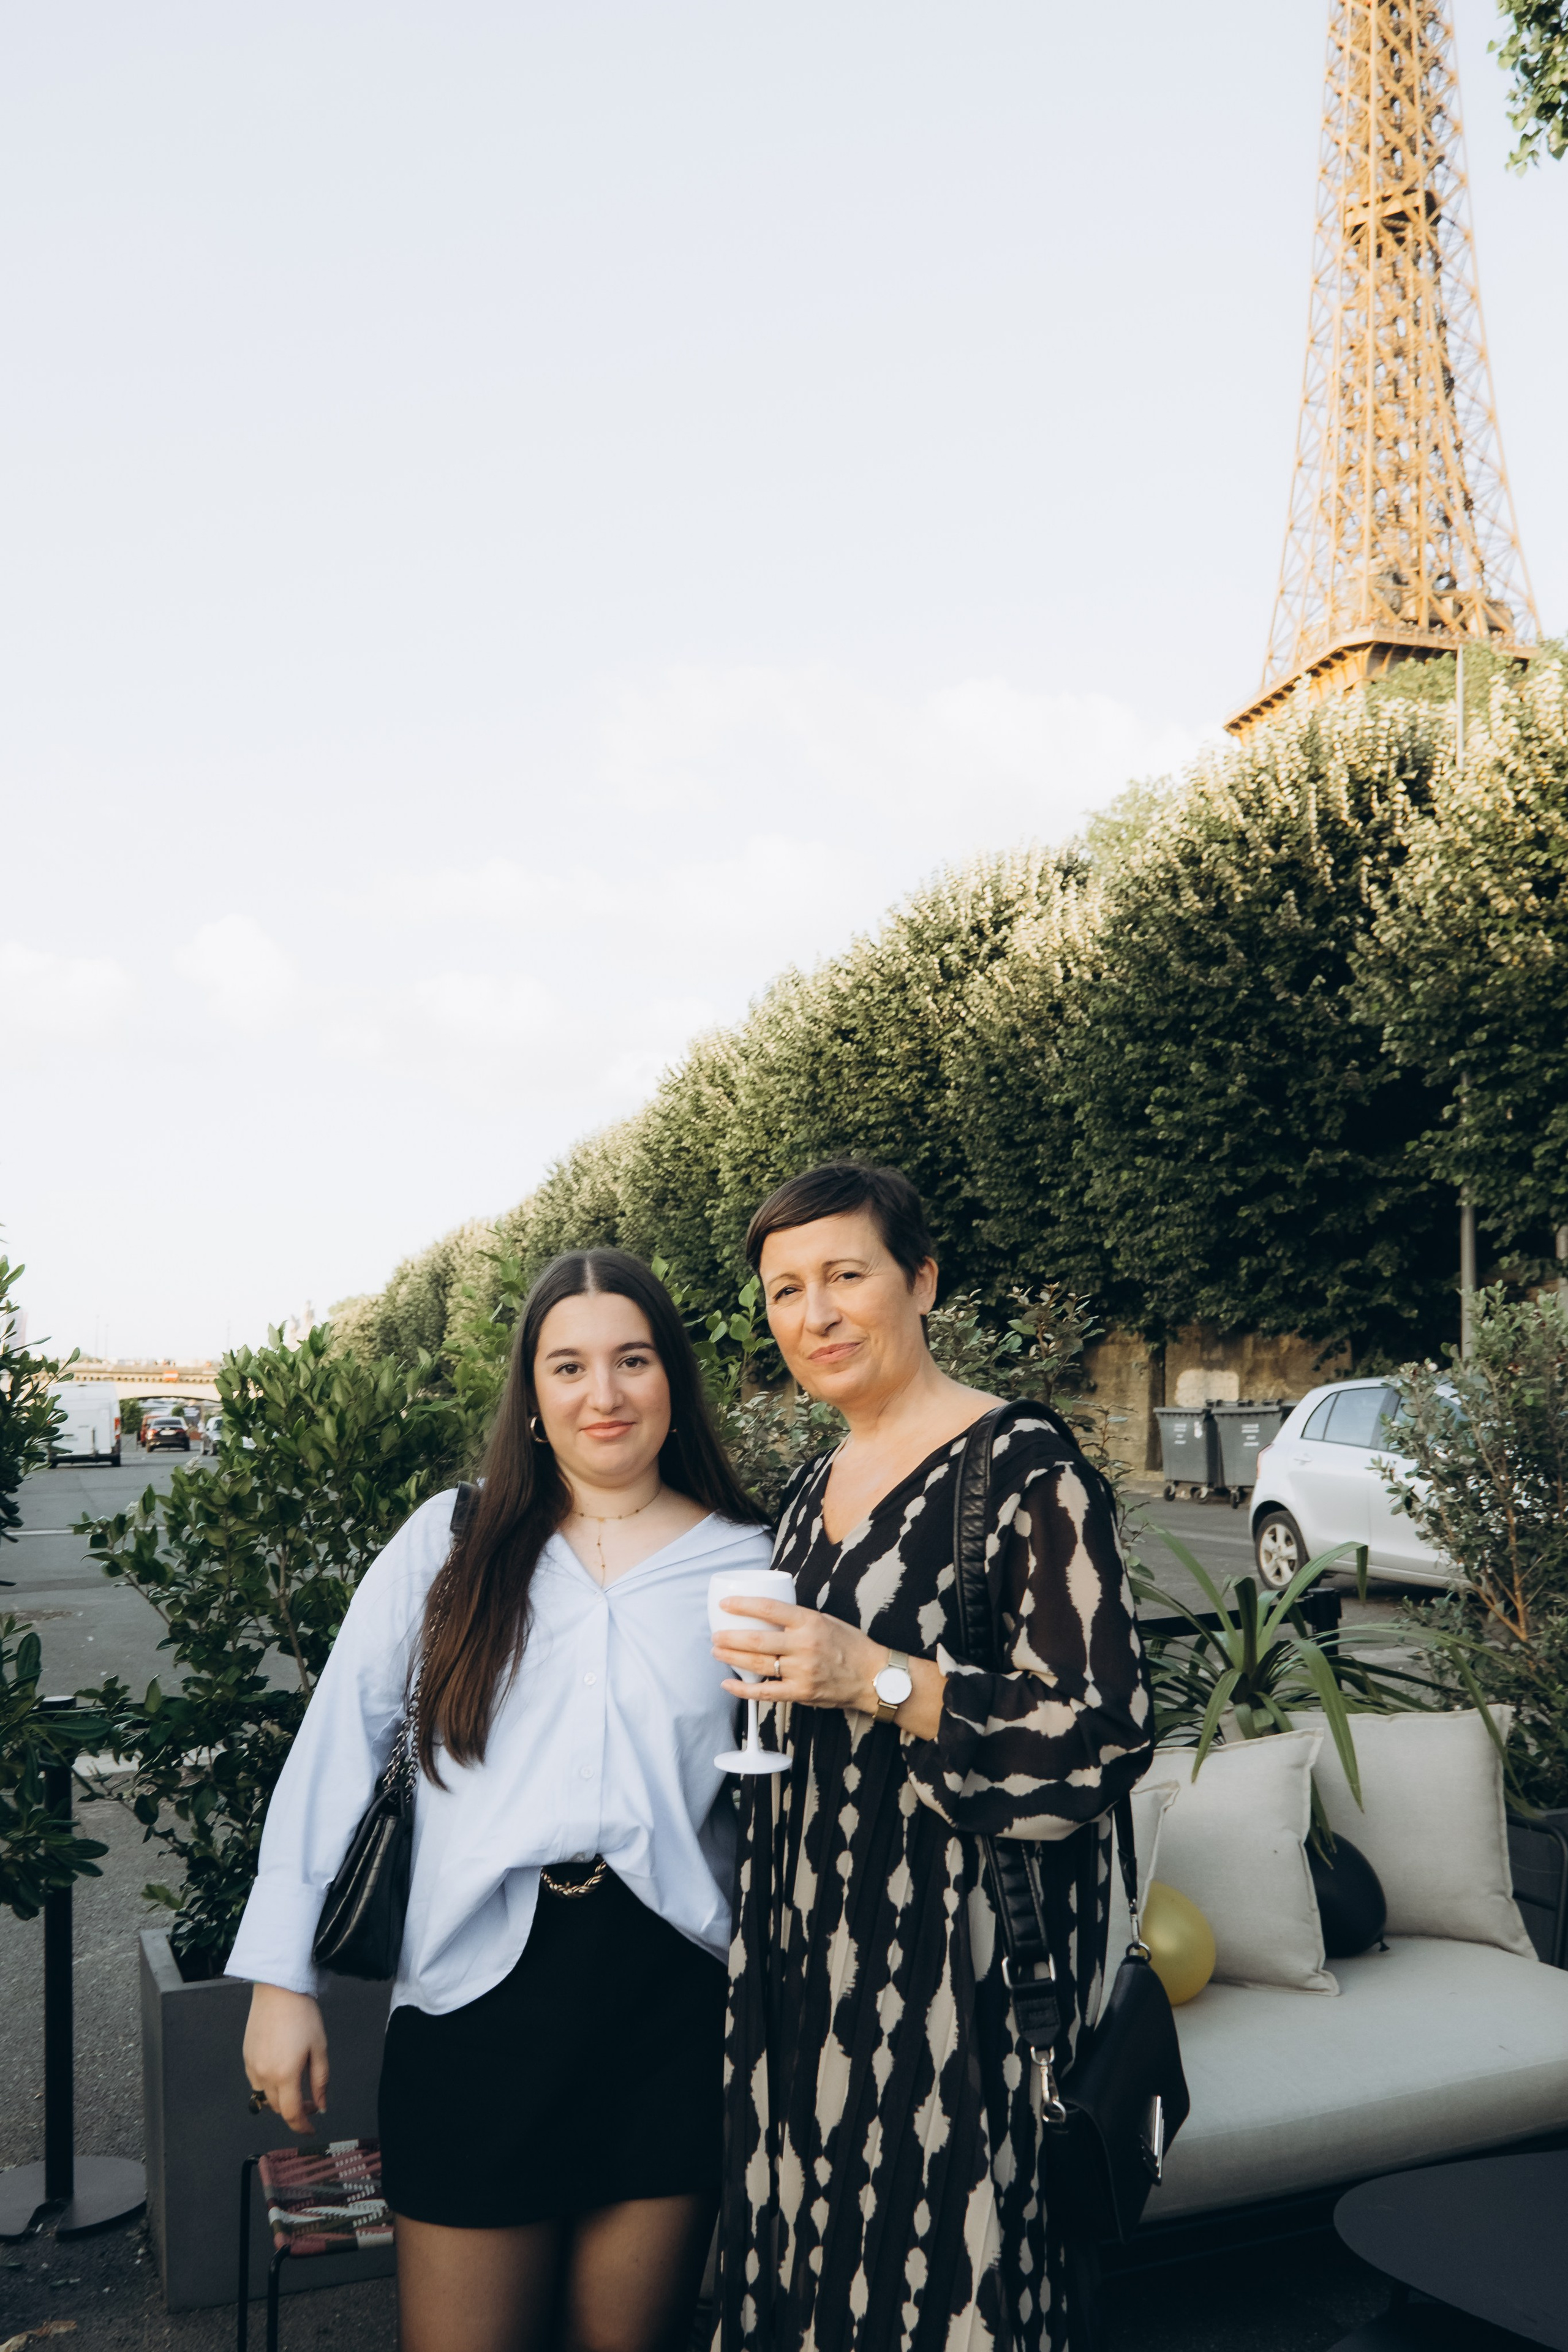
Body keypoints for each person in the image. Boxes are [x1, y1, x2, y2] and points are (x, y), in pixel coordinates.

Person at [230, 1248, 773, 2352]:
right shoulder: (452, 1540)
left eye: (633, 1359)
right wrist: (282, 1982)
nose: (604, 1393)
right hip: (475, 2011)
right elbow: (338, 1746)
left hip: (670, 2008)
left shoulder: (753, 1563)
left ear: (675, 1380)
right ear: (531, 1397)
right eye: (567, 1366)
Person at [709, 1163, 1155, 2352]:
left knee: (944, 2299)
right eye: (785, 1290)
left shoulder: (1022, 1471)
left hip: (955, 1998)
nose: (815, 1315)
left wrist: (876, 1678)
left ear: (921, 1282)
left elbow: (1097, 1738)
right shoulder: (807, 1493)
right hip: (805, 1975)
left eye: (845, 1276)